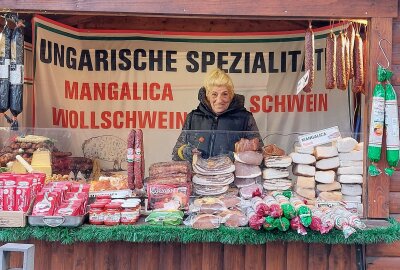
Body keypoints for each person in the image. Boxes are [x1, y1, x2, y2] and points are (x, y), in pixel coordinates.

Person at [172, 68, 262, 162]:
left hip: (230, 176)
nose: (219, 100)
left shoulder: (246, 118)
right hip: (199, 175)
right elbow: (176, 154)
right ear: (207, 96)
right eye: (214, 94)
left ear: (231, 96)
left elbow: (260, 154)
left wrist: (249, 147)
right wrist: (187, 152)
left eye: (225, 94)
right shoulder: (193, 117)